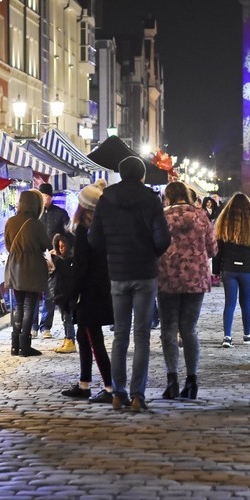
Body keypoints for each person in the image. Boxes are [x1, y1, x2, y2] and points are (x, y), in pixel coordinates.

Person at [88, 156, 171, 412]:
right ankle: (138, 395)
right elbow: (162, 237)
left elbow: (94, 238)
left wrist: (112, 253)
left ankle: (118, 392)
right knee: (142, 335)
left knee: (120, 335)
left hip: (118, 273)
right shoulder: (150, 198)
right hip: (144, 272)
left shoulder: (106, 198)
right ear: (142, 175)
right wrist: (151, 254)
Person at [157, 182, 217, 400]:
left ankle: (172, 380)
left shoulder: (163, 217)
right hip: (195, 278)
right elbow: (212, 249)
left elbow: (154, 244)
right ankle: (192, 380)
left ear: (168, 197)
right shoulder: (201, 216)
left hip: (167, 277)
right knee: (189, 329)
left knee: (168, 330)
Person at [61, 180, 114, 403]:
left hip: (89, 293)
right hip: (101, 289)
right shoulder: (103, 227)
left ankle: (110, 387)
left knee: (94, 340)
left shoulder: (85, 231)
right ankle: (84, 384)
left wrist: (71, 293)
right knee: (84, 337)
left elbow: (81, 266)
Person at [4, 189, 52, 357]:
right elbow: (46, 244)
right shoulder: (35, 223)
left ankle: (14, 346)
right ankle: (25, 345)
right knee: (30, 306)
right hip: (32, 267)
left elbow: (8, 245)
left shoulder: (10, 221)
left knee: (19, 305)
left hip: (14, 267)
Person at [214, 192, 250, 348]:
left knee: (229, 303)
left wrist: (216, 270)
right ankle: (247, 335)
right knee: (245, 303)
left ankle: (227, 337)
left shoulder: (224, 223)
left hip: (229, 268)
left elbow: (218, 251)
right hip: (247, 268)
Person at [35, 182, 70, 340]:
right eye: (43, 197)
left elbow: (67, 234)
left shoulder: (61, 213)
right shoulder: (35, 214)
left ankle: (45, 326)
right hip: (36, 257)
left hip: (54, 258)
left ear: (51, 197)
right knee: (34, 292)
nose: (45, 200)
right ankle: (33, 326)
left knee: (50, 293)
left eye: (48, 197)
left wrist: (60, 250)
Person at [49, 232, 76, 354]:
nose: (61, 249)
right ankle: (67, 338)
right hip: (60, 293)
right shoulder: (59, 260)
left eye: (63, 246)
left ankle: (70, 340)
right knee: (64, 318)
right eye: (59, 246)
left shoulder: (70, 260)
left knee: (67, 317)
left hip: (66, 293)